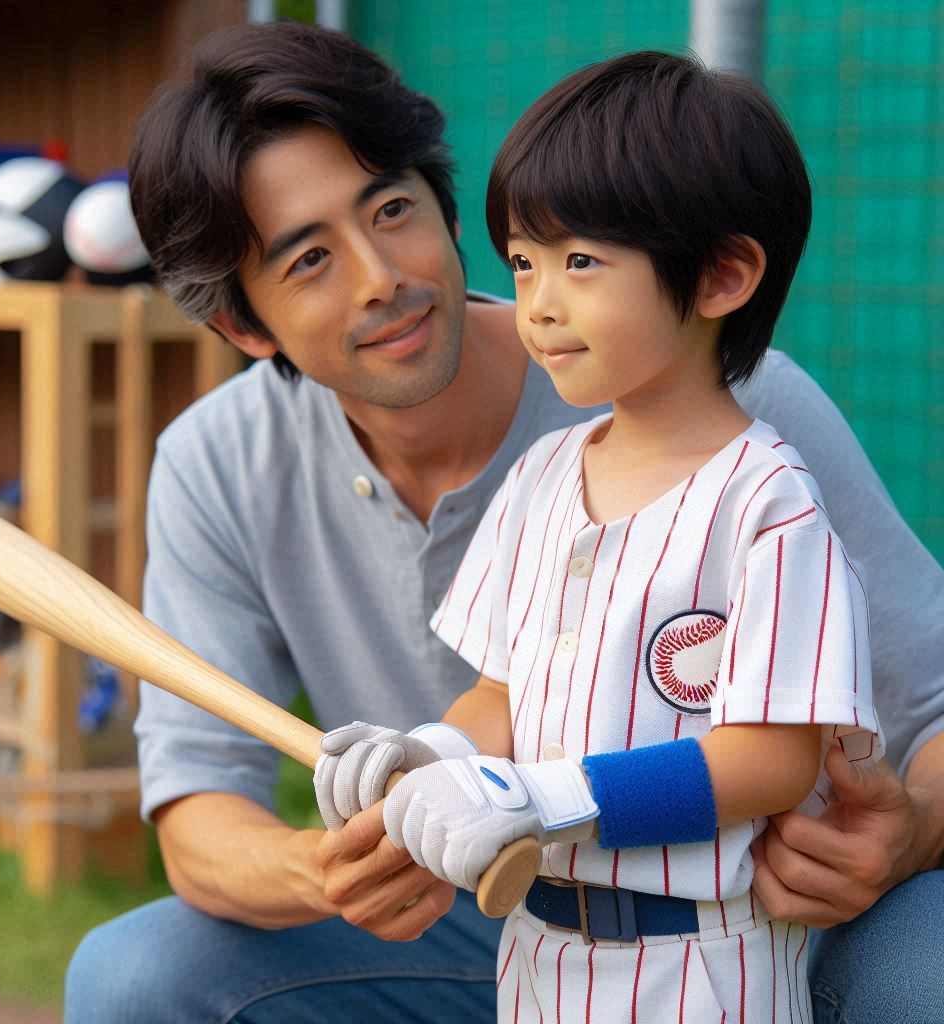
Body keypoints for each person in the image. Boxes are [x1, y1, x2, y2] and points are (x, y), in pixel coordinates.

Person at [63, 20, 944, 1024]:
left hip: (750, 905)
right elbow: (199, 808)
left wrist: (907, 831)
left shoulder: (738, 422)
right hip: (493, 916)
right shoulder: (222, 463)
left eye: (390, 209)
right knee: (133, 976)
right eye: (307, 260)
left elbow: (918, 703)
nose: (378, 275)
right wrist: (366, 834)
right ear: (243, 324)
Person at [314, 51, 881, 1023]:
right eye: (524, 263)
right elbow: (502, 692)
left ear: (721, 275)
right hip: (537, 951)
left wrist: (542, 796)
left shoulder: (768, 502)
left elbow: (769, 761)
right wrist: (436, 754)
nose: (535, 304)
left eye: (580, 262)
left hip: (701, 963)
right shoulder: (541, 474)